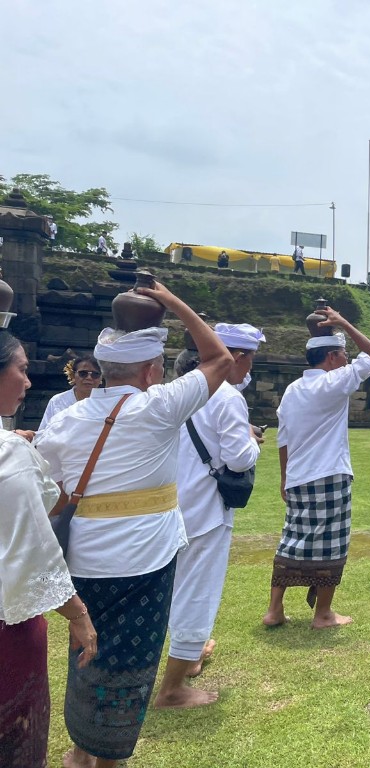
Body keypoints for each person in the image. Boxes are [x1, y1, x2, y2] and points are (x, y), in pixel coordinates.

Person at [35, 283, 232, 768]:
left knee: (86, 652)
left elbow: (53, 495)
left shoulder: (67, 419)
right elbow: (220, 359)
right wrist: (178, 305)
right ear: (152, 369)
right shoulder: (160, 406)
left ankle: (83, 749)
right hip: (147, 557)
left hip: (84, 556)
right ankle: (110, 758)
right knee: (132, 663)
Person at [155, 323, 265, 709]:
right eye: (249, 357)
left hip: (169, 502)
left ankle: (190, 655)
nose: (249, 366)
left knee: (174, 588)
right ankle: (172, 688)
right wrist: (252, 444)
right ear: (237, 357)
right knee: (197, 593)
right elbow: (237, 458)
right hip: (205, 508)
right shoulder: (228, 397)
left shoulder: (176, 390)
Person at [0, 330, 97, 767]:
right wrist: (77, 613)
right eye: (21, 369)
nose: (27, 381)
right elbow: (33, 545)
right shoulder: (9, 456)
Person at [264, 309, 370, 628]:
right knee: (331, 543)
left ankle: (275, 609)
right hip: (330, 474)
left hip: (299, 477)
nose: (346, 359)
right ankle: (323, 613)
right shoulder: (334, 383)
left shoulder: (292, 391)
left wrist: (285, 478)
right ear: (330, 357)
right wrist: (344, 324)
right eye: (343, 354)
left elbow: (283, 440)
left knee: (292, 539)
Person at [38, 355, 102, 431]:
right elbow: (44, 431)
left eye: (95, 374)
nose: (89, 378)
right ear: (73, 375)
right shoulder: (57, 401)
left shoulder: (106, 403)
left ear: (101, 378)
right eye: (83, 373)